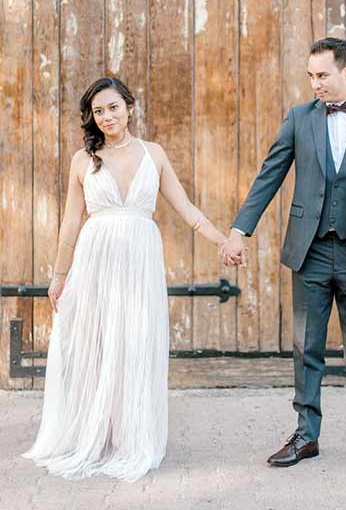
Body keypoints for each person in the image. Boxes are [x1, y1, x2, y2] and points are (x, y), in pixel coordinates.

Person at [23, 77, 227, 481]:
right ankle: (93, 433)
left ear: (129, 107)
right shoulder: (83, 159)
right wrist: (59, 275)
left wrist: (222, 241)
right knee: (95, 340)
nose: (107, 117)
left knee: (133, 340)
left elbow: (186, 209)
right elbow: (69, 224)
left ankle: (129, 436)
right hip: (95, 258)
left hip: (139, 259)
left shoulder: (154, 154)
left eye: (113, 107)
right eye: (98, 111)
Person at [221, 37, 346, 472]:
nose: (315, 84)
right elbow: (269, 175)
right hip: (309, 253)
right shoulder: (299, 118)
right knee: (307, 348)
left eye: (322, 75)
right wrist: (238, 230)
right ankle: (306, 435)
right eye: (310, 76)